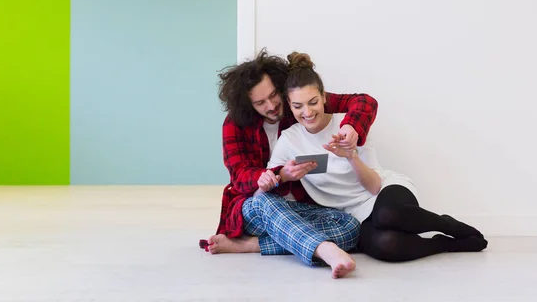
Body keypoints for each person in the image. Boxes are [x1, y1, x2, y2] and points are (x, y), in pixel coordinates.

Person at [263, 52, 488, 262]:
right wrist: (283, 175)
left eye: (313, 102)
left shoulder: (348, 126)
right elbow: (267, 183)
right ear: (289, 107)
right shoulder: (289, 140)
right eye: (297, 106)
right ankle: (443, 245)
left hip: (383, 191)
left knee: (387, 215)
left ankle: (447, 224)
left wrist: (351, 156)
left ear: (324, 97)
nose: (307, 112)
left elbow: (374, 186)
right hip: (350, 215)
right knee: (386, 245)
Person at [204, 49, 379, 278]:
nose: (271, 106)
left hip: (298, 207)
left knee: (350, 228)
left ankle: (252, 246)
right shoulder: (234, 125)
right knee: (266, 200)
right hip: (255, 207)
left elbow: (364, 101)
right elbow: (239, 176)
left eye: (274, 95)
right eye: (260, 102)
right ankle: (324, 250)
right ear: (248, 104)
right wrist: (276, 176)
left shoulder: (298, 107)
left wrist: (351, 126)